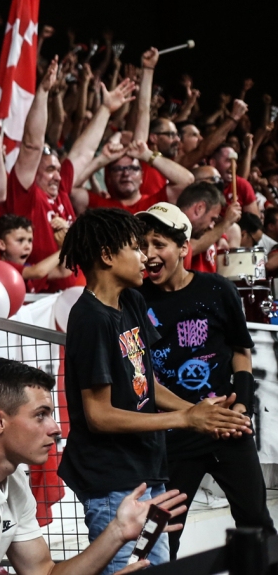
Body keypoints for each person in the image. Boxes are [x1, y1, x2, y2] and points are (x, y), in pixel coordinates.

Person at [56, 208, 252, 574]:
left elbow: (146, 382)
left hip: (145, 470)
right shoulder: (90, 319)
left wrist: (202, 415)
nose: (144, 256)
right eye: (135, 247)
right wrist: (185, 418)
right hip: (113, 483)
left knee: (155, 566)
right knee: (133, 570)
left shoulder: (131, 300)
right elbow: (98, 415)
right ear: (107, 255)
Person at [0, 358, 189, 575]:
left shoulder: (12, 482)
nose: (55, 428)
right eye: (40, 415)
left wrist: (118, 532)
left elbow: (43, 571)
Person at [135, 202, 274, 557]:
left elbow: (241, 352)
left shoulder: (216, 289)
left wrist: (239, 408)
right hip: (174, 434)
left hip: (229, 426)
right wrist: (195, 415)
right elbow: (143, 376)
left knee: (256, 522)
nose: (149, 254)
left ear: (184, 248)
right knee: (162, 534)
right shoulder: (134, 301)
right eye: (142, 245)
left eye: (158, 243)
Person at [5, 58, 79, 292]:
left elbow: (84, 153)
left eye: (58, 169)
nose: (58, 176)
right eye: (49, 169)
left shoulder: (61, 194)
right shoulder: (27, 196)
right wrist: (44, 93)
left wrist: (106, 110)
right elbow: (31, 147)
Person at [0, 214, 66, 283]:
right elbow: (38, 272)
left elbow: (62, 272)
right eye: (20, 240)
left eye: (30, 240)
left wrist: (63, 244)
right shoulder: (2, 268)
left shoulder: (28, 268)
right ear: (2, 245)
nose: (28, 246)